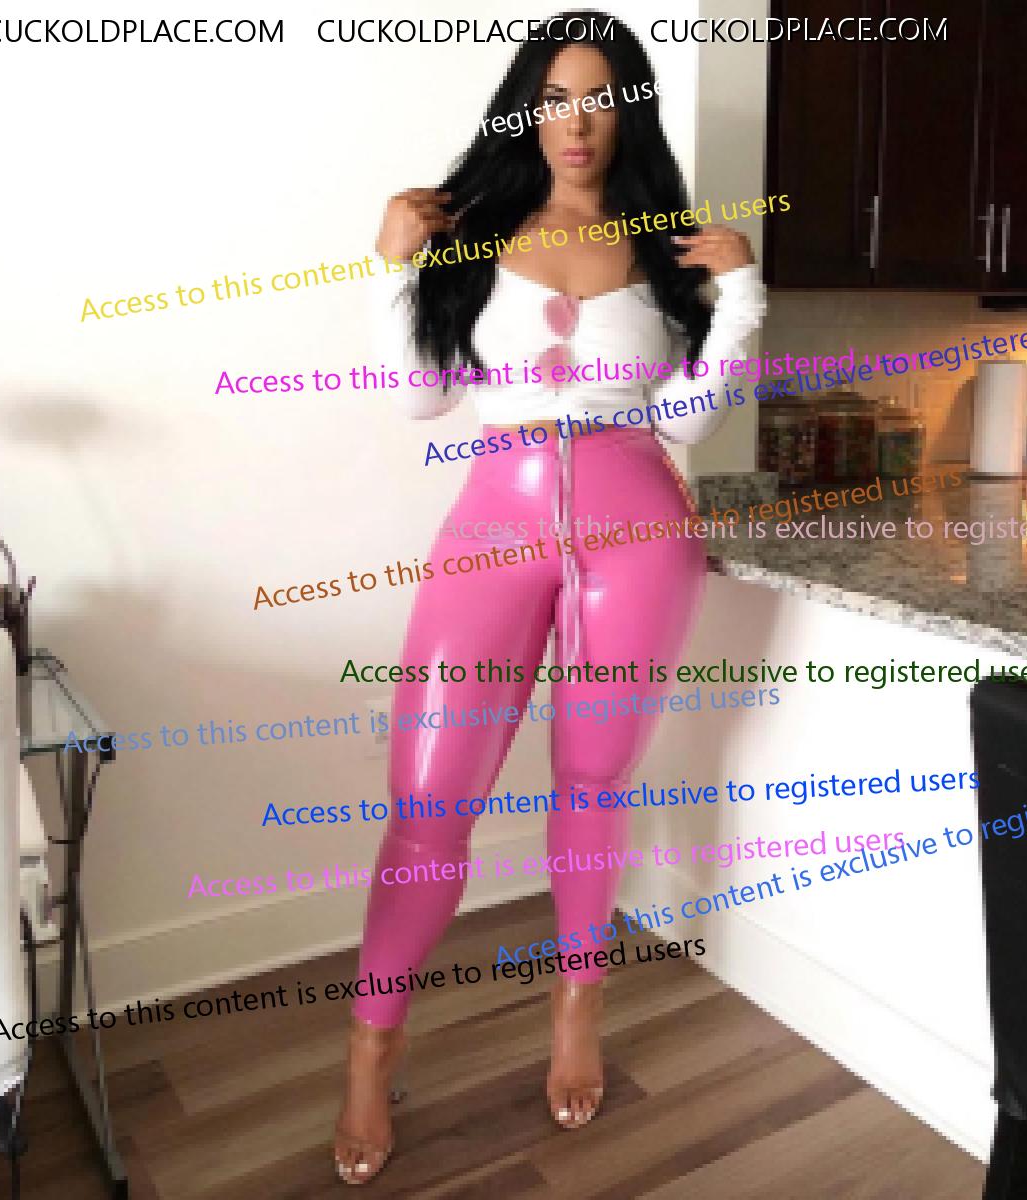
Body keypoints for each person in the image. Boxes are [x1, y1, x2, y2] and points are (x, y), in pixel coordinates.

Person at [335, 10, 766, 1184]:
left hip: (638, 531)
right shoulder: (471, 233)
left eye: (600, 98)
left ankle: (578, 1008)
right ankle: (372, 1047)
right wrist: (391, 266)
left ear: (630, 113)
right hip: (495, 521)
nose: (577, 123)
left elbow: (687, 423)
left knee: (591, 779)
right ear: (527, 111)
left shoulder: (666, 248)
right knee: (428, 801)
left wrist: (739, 302)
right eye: (556, 98)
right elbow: (420, 399)